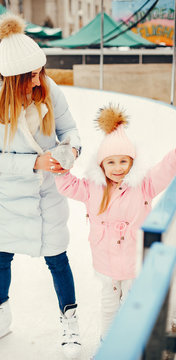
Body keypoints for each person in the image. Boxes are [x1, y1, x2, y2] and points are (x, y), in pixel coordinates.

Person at [0, 13, 82, 359]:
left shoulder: (49, 89)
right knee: (0, 256)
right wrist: (34, 162)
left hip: (46, 195)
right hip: (6, 196)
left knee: (58, 259)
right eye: (30, 74)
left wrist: (71, 151)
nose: (38, 78)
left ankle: (70, 317)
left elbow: (72, 132)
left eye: (40, 70)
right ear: (11, 76)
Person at [55, 104, 176, 342]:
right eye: (111, 162)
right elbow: (68, 186)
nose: (118, 168)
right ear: (101, 165)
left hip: (134, 263)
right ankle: (106, 344)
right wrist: (61, 167)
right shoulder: (92, 187)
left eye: (124, 161)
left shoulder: (144, 185)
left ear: (132, 162)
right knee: (109, 307)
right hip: (106, 264)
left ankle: (131, 343)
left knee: (133, 307)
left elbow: (165, 168)